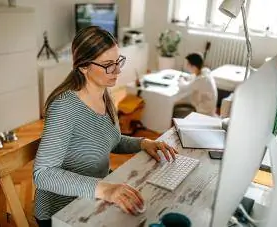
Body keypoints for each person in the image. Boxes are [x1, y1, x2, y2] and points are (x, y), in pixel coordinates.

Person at [33, 26, 177, 227]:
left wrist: (143, 143)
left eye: (118, 61)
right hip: (62, 211)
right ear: (83, 67)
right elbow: (43, 174)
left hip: (94, 197)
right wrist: (105, 189)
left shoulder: (104, 94)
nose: (117, 70)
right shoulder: (64, 107)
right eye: (108, 65)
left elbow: (111, 140)